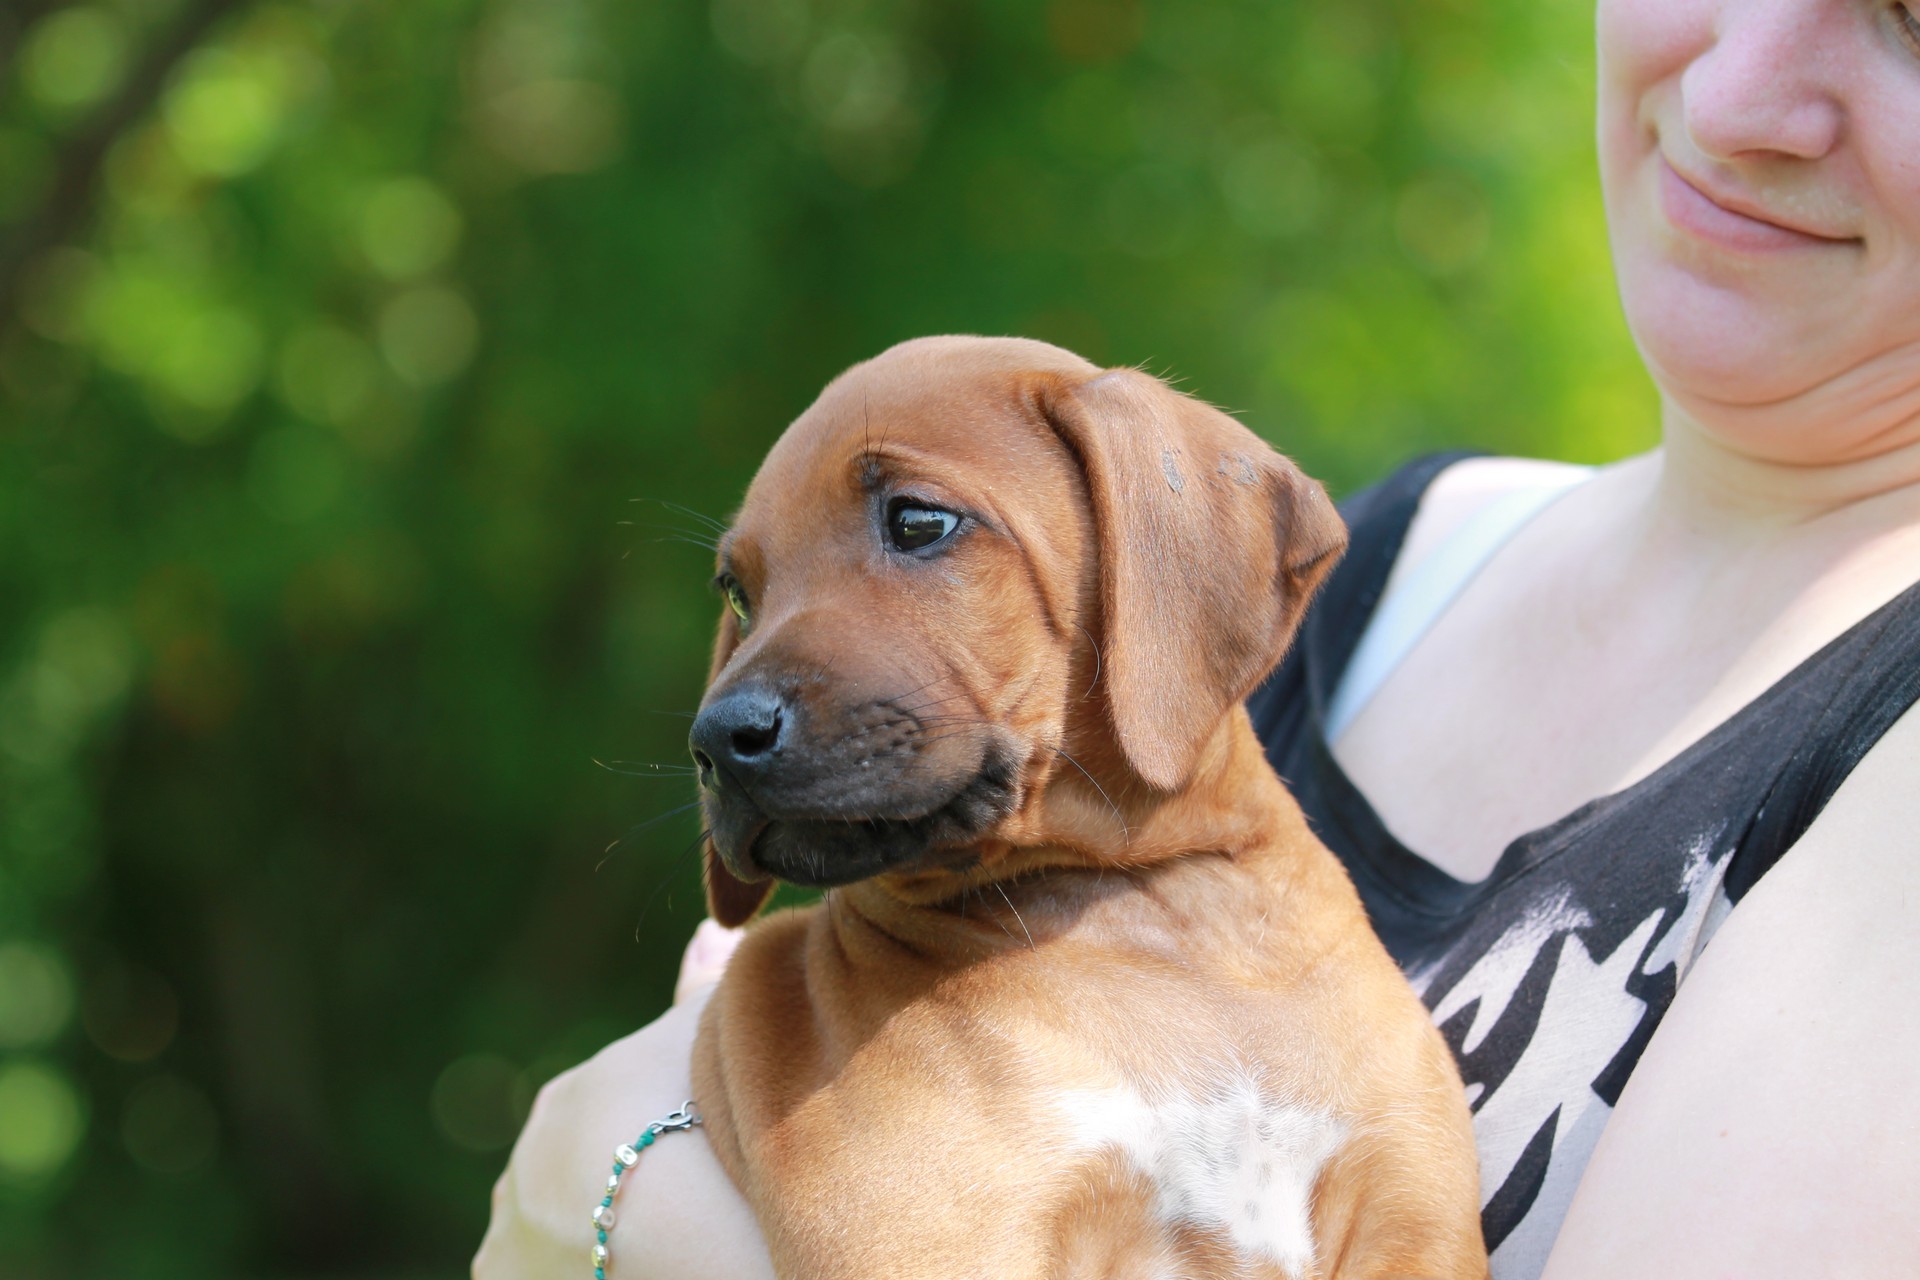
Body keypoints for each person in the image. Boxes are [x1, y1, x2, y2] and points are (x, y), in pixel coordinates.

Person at [474, 0, 1920, 1274]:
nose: (1734, 94)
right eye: (747, 602)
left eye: (919, 526)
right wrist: (598, 1155)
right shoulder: (1398, 561)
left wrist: (624, 1203)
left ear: (1167, 579)